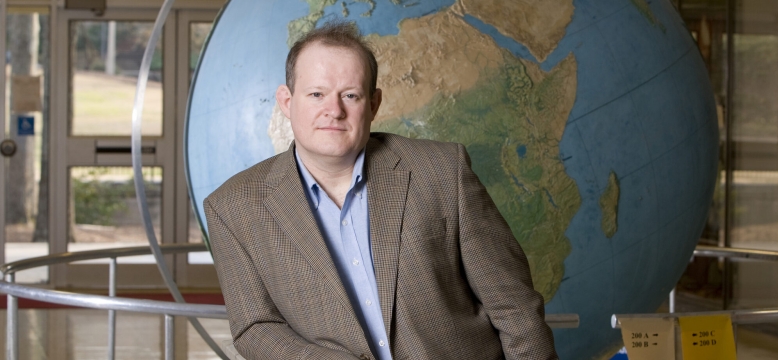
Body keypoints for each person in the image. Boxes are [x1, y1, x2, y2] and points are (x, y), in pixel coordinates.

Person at [204, 21, 558, 360]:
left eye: (350, 95)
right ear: (286, 101)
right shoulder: (233, 208)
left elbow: (514, 307)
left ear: (373, 104)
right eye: (316, 94)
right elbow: (255, 327)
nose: (334, 110)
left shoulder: (441, 172)